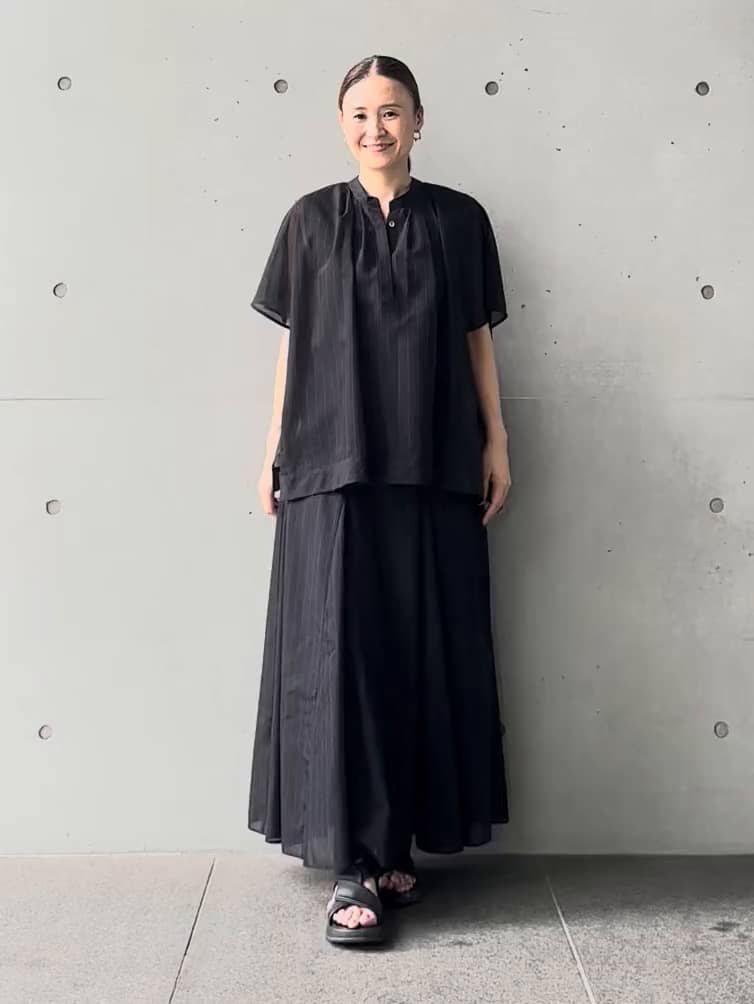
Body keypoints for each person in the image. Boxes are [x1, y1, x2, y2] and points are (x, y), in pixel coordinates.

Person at [247, 54, 511, 947]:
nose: (376, 128)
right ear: (340, 123)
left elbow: (476, 338)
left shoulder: (460, 220)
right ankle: (355, 865)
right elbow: (294, 346)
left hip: (436, 462)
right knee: (342, 656)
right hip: (332, 467)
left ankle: (397, 846)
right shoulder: (309, 221)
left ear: (418, 121)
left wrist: (497, 440)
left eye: (391, 111)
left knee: (423, 653)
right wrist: (274, 446)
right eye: (360, 113)